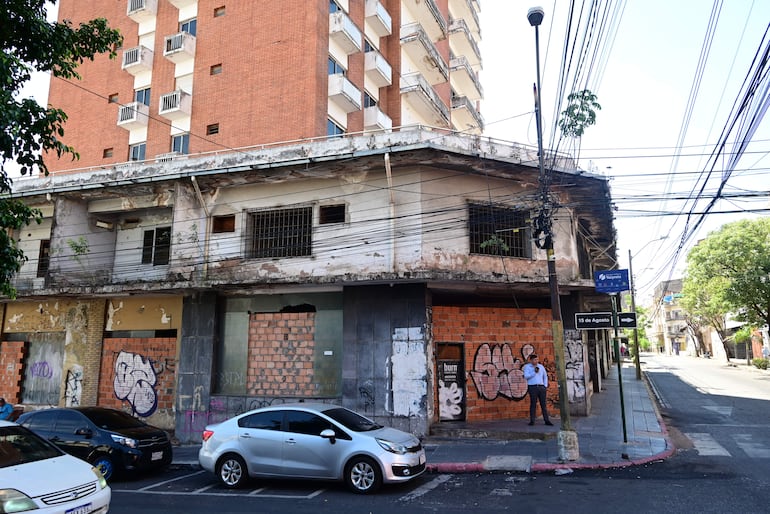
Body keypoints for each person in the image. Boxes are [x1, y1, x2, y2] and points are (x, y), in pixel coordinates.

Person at [522, 354, 553, 426]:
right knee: (533, 404)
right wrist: (534, 372)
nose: (536, 361)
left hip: (541, 387)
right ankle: (532, 420)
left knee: (543, 404)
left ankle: (546, 420)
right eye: (535, 360)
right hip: (532, 387)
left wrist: (545, 386)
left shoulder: (541, 367)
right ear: (531, 360)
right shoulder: (527, 367)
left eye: (537, 359)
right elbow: (526, 376)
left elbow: (545, 376)